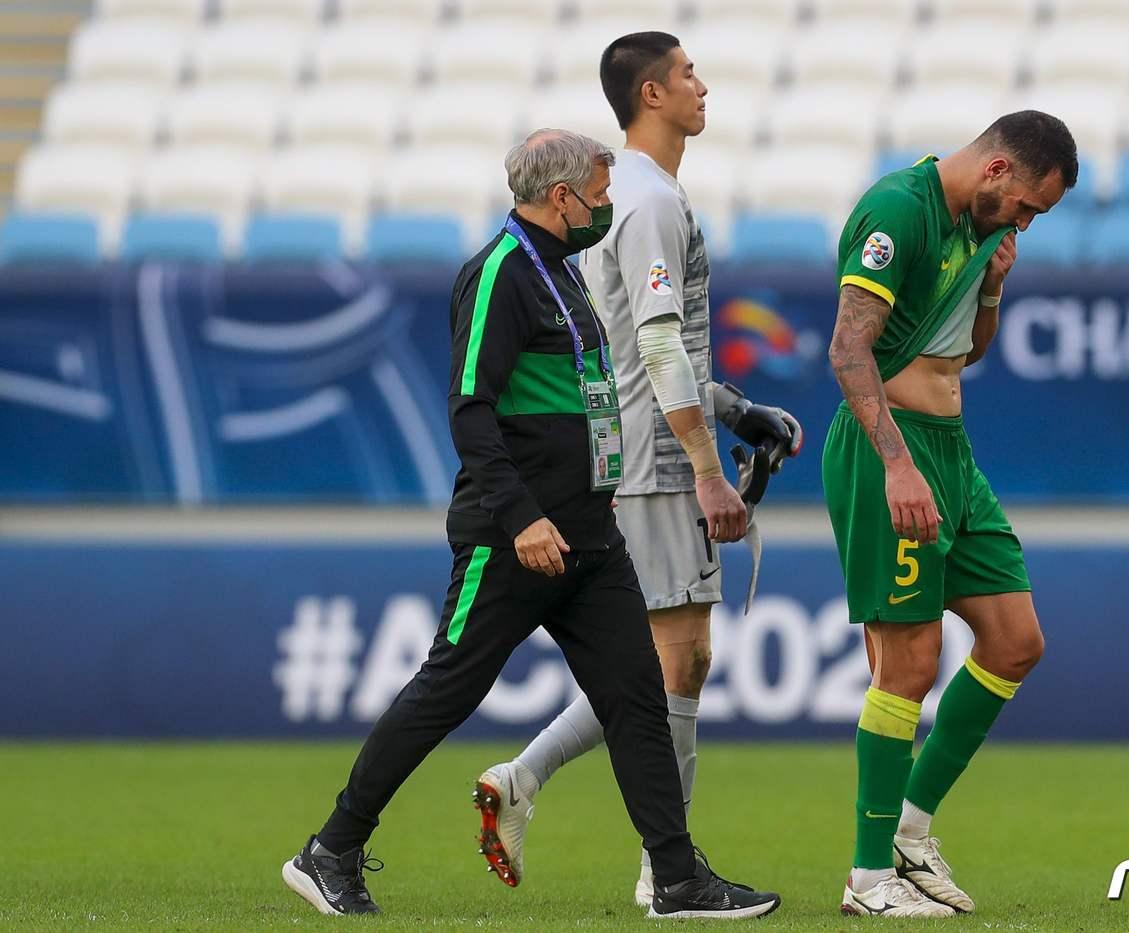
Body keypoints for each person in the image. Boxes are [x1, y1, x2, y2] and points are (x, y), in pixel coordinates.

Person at [280, 128, 780, 921]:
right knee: (447, 690)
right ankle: (331, 847)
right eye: (599, 194)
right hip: (513, 537)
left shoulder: (565, 274)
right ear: (561, 197)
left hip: (589, 534)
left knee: (637, 698)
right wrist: (520, 517)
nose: (607, 207)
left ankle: (678, 878)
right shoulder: (499, 274)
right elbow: (470, 409)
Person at [475, 32, 800, 908]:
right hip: (655, 459)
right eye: (689, 73)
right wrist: (707, 465)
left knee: (655, 666)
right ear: (651, 93)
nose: (704, 85)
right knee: (680, 662)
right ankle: (669, 875)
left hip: (632, 447)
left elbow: (640, 340)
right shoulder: (649, 201)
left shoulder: (627, 198)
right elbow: (656, 343)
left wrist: (737, 411)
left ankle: (525, 781)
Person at [822, 111, 1077, 918]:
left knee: (1014, 640)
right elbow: (846, 349)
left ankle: (910, 830)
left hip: (953, 451)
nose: (1027, 223)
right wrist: (897, 463)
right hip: (888, 452)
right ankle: (869, 880)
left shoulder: (974, 227)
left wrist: (994, 285)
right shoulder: (900, 211)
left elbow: (962, 353)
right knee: (908, 663)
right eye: (1029, 206)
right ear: (998, 170)